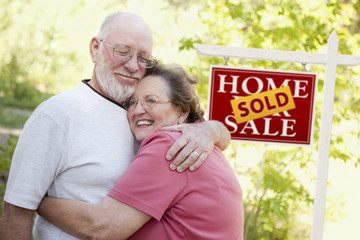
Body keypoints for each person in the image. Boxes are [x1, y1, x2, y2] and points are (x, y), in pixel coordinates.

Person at [0, 12, 231, 240]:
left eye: (143, 57)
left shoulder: (146, 119)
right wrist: (34, 201)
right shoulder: (56, 115)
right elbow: (16, 213)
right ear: (95, 49)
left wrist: (209, 130)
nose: (132, 65)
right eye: (122, 52)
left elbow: (217, 135)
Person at [37, 63, 244, 240]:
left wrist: (35, 199)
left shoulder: (169, 145)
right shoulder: (201, 144)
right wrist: (214, 129)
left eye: (151, 100)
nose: (137, 110)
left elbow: (101, 228)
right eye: (132, 102)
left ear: (182, 111)